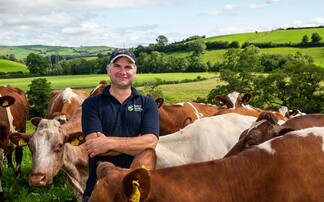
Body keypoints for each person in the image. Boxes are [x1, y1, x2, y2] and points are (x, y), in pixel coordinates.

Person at [81, 48, 160, 201]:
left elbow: (151, 142)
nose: (122, 71)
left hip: (138, 189)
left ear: (135, 71)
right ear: (108, 70)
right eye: (117, 66)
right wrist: (136, 143)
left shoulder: (148, 104)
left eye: (128, 67)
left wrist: (108, 142)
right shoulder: (91, 103)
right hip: (100, 187)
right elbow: (94, 146)